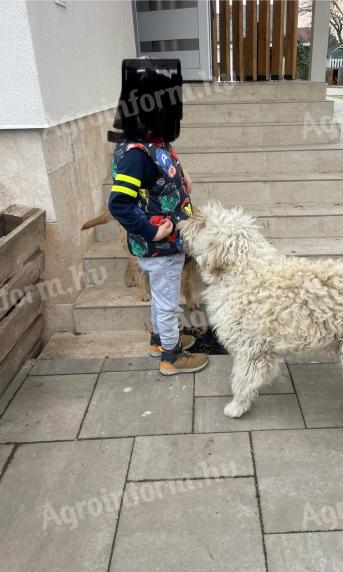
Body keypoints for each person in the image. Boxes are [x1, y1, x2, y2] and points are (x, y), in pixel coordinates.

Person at [107, 57, 208, 376]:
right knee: (167, 302)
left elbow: (164, 160)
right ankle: (171, 356)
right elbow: (119, 204)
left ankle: (157, 339)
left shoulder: (153, 142)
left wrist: (183, 174)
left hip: (166, 244)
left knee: (160, 298)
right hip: (159, 247)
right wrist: (153, 233)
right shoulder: (135, 154)